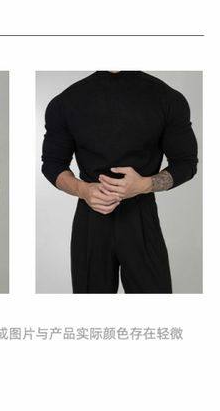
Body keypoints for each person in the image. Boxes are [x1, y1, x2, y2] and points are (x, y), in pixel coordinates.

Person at [41, 71, 198, 293]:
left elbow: (186, 163)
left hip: (141, 214)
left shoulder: (166, 98)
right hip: (91, 218)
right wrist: (83, 190)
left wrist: (144, 185)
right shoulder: (65, 102)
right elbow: (52, 163)